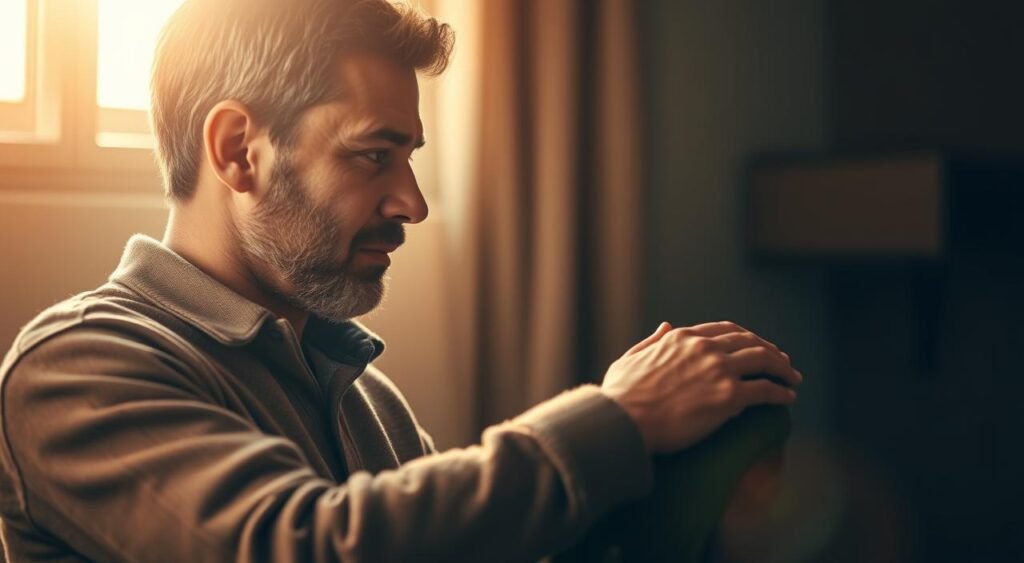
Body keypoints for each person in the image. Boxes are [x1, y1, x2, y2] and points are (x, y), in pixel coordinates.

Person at [0, 0, 802, 561]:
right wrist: (617, 418)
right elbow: (304, 546)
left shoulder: (364, 397)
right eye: (373, 155)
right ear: (240, 148)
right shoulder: (76, 371)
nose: (411, 203)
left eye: (412, 157)